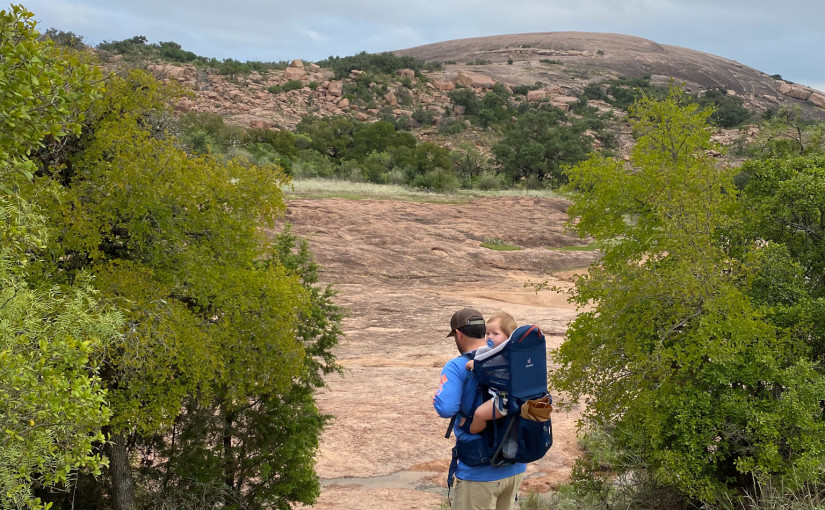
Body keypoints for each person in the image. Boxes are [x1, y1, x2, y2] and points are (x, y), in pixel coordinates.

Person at [433, 308, 525, 510]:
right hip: (514, 465)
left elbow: (445, 408)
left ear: (458, 334)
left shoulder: (457, 366)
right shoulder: (509, 359)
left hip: (479, 473)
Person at [465, 312, 518, 434]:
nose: (490, 337)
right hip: (507, 395)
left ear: (508, 337)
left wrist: (471, 363)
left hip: (503, 400)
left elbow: (480, 366)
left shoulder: (502, 356)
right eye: (487, 333)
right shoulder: (511, 352)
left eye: (495, 334)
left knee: (479, 414)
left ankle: (472, 431)